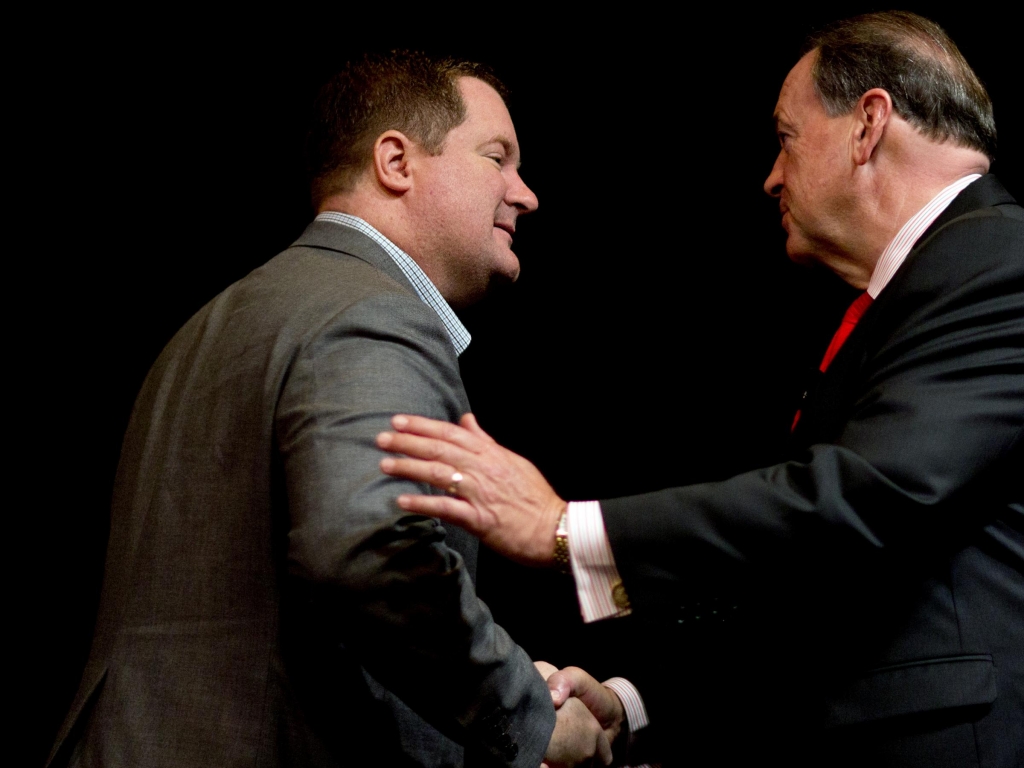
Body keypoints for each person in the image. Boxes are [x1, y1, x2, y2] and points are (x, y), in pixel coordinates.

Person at [376, 13, 1024, 768]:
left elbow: (866, 495)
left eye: (785, 137)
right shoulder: (934, 280)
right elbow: (817, 587)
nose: (772, 176)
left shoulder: (997, 261)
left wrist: (563, 528)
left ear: (868, 126)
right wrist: (632, 706)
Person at [46, 51, 619, 768]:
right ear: (396, 163)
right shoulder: (373, 316)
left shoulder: (213, 323)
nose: (525, 193)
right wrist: (527, 715)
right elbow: (371, 558)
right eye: (497, 158)